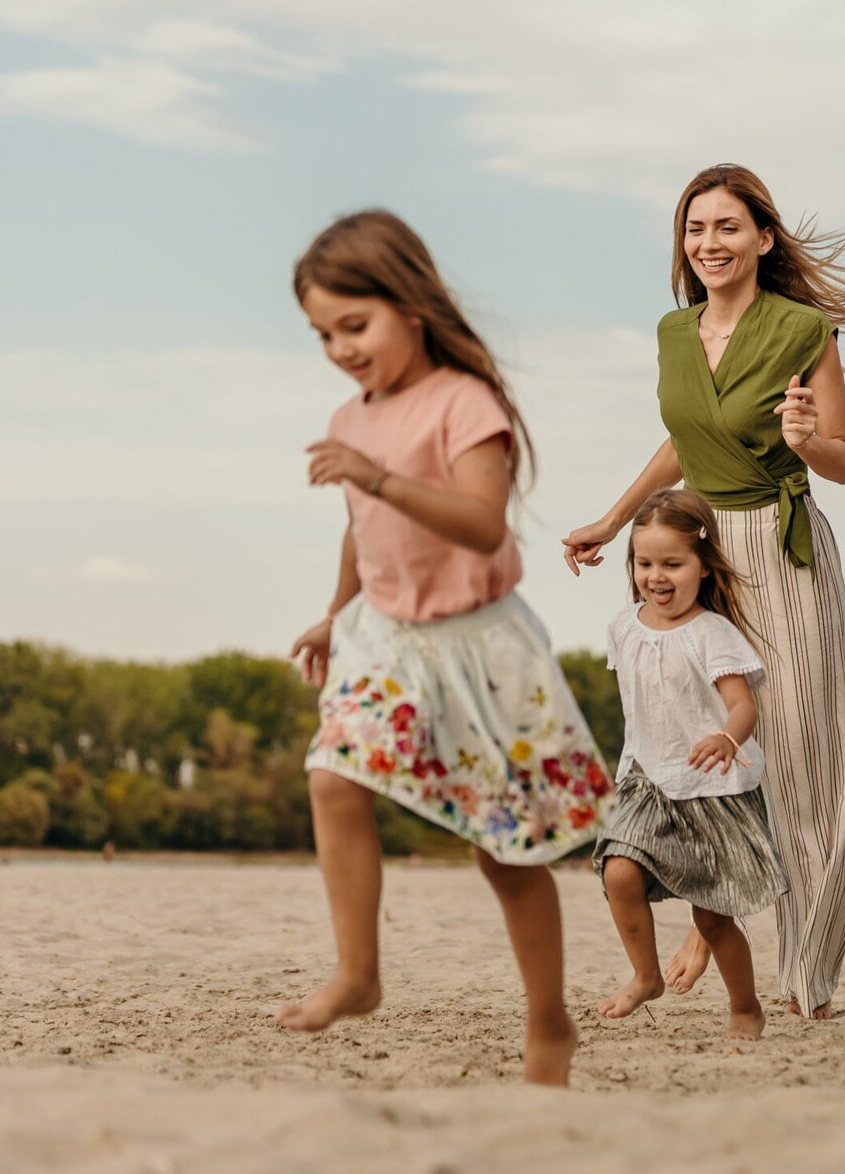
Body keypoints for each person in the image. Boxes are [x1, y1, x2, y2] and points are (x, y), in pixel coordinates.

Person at [281, 209, 614, 1085]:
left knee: (504, 852)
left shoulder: (465, 404)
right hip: (388, 638)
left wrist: (379, 476)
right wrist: (335, 613)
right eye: (323, 334)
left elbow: (480, 524)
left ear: (411, 305)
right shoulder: (349, 418)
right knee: (332, 777)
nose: (340, 349)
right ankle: (358, 973)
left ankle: (549, 1022)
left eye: (355, 326)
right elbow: (363, 527)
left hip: (481, 646)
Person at [563, 164, 845, 1019]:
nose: (708, 243)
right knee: (701, 741)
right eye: (695, 229)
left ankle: (807, 981)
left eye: (727, 227)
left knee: (804, 757)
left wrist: (806, 440)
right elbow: (685, 440)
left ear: (763, 238)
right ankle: (714, 916)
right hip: (702, 549)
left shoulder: (803, 329)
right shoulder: (675, 333)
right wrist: (613, 519)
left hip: (782, 547)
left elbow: (843, 463)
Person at [591, 489, 787, 1039]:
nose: (656, 576)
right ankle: (646, 975)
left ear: (703, 566)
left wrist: (726, 737)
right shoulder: (623, 627)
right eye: (644, 563)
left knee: (712, 917)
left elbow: (744, 706)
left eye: (672, 564)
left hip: (713, 789)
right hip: (647, 779)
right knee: (618, 870)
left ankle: (745, 1007)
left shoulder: (713, 633)